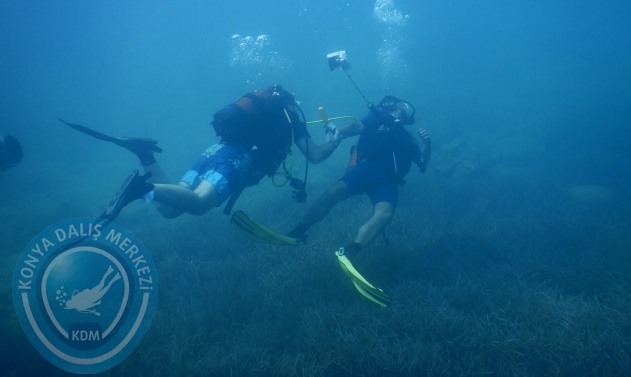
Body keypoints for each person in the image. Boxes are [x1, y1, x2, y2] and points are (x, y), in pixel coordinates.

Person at [61, 85, 344, 221]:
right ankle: (140, 188)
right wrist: (334, 140)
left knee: (169, 209)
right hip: (236, 161)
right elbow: (316, 156)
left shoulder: (260, 110)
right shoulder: (291, 117)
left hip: (216, 151)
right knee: (198, 205)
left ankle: (146, 155)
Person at [287, 95, 431, 263]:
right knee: (333, 194)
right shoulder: (380, 115)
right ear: (397, 105)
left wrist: (427, 143)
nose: (404, 107)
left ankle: (349, 252)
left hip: (389, 181)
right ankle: (298, 232)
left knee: (385, 215)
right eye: (402, 105)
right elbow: (357, 126)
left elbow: (422, 161)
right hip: (368, 169)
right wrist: (338, 132)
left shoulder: (408, 138)